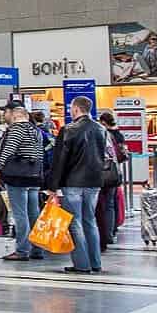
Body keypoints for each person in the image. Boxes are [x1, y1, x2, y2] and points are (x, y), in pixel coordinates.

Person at [46, 96, 106, 274]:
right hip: (94, 181)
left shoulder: (68, 130)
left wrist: (53, 185)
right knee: (90, 221)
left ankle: (81, 264)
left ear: (76, 109)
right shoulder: (100, 129)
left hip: (73, 182)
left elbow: (60, 160)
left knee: (74, 223)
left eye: (71, 108)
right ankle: (95, 262)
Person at [0, 102, 45, 261]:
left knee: (20, 214)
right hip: (34, 175)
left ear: (15, 116)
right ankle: (37, 249)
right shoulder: (36, 130)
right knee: (34, 213)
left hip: (17, 176)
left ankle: (22, 250)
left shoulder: (16, 129)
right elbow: (40, 153)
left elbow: (9, 150)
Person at [97, 111, 128, 248]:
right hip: (114, 173)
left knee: (100, 205)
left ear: (103, 122)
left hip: (101, 173)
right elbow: (123, 154)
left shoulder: (101, 134)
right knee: (111, 204)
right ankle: (111, 232)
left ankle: (103, 233)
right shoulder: (118, 135)